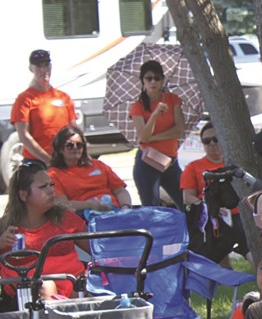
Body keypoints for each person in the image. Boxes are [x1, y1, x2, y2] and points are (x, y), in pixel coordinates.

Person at [0, 163, 87, 303]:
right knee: (47, 286)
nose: (51, 191)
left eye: (51, 185)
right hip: (28, 292)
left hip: (76, 284)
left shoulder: (65, 218)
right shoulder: (5, 227)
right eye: (43, 187)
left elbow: (97, 250)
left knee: (88, 284)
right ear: (23, 195)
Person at [180, 123, 249, 262]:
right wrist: (206, 207)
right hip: (212, 216)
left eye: (215, 139)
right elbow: (187, 196)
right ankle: (220, 277)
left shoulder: (236, 163)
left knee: (247, 242)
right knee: (211, 244)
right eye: (206, 141)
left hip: (240, 213)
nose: (211, 143)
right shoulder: (193, 167)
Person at [129, 60, 185, 208]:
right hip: (148, 162)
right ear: (143, 81)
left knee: (186, 204)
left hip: (170, 162)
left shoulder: (173, 99)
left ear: (162, 80)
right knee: (152, 208)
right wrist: (154, 114)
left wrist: (152, 138)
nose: (153, 82)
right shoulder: (137, 106)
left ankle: (191, 231)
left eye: (157, 78)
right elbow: (143, 136)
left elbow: (179, 130)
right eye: (148, 78)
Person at [11, 49, 79, 166]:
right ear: (31, 68)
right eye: (38, 66)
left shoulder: (63, 97)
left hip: (63, 160)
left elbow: (74, 130)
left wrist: (80, 155)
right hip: (36, 162)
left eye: (46, 65)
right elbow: (24, 136)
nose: (44, 70)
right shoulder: (25, 99)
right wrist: (48, 160)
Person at [48, 126, 132, 213]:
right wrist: (91, 205)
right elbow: (63, 204)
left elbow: (120, 190)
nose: (75, 148)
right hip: (83, 215)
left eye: (79, 145)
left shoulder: (98, 165)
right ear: (60, 149)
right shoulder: (53, 174)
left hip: (114, 209)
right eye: (70, 145)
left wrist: (125, 207)